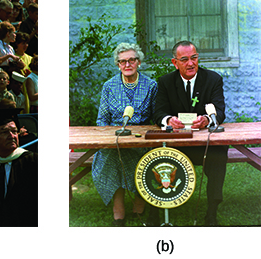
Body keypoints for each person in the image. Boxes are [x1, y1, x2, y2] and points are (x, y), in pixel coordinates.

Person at [153, 40, 228, 226]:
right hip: (176, 145)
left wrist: (207, 119)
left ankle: (212, 211)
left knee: (220, 151)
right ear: (174, 62)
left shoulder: (213, 79)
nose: (191, 63)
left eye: (194, 58)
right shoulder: (165, 82)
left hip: (204, 145)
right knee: (154, 152)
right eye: (184, 59)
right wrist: (168, 120)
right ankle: (156, 210)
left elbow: (220, 111)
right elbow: (158, 113)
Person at [91, 43, 157, 226]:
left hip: (141, 140)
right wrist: (110, 138)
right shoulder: (109, 86)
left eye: (131, 60)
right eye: (122, 61)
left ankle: (139, 198)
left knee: (143, 157)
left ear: (139, 62)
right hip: (116, 138)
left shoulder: (151, 85)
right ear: (118, 64)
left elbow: (156, 118)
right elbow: (102, 119)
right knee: (111, 155)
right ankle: (118, 206)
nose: (127, 65)